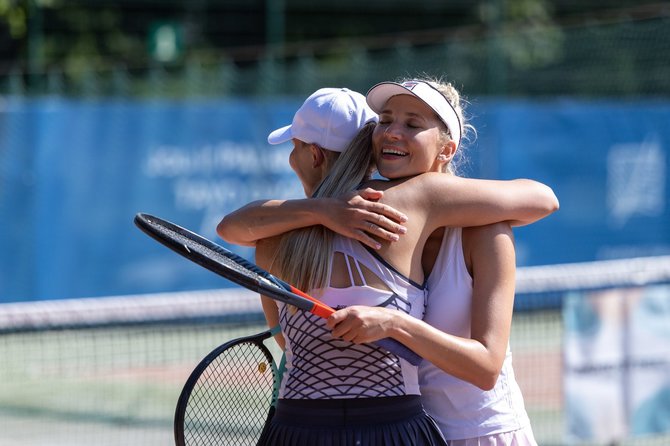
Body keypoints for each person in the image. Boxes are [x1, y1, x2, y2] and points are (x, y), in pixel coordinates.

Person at [218, 81, 558, 445]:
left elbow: (544, 198)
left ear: (447, 148)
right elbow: (231, 228)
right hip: (419, 430)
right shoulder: (362, 211)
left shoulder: (465, 219)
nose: (393, 131)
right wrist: (327, 210)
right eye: (385, 120)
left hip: (483, 432)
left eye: (412, 124)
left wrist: (392, 322)